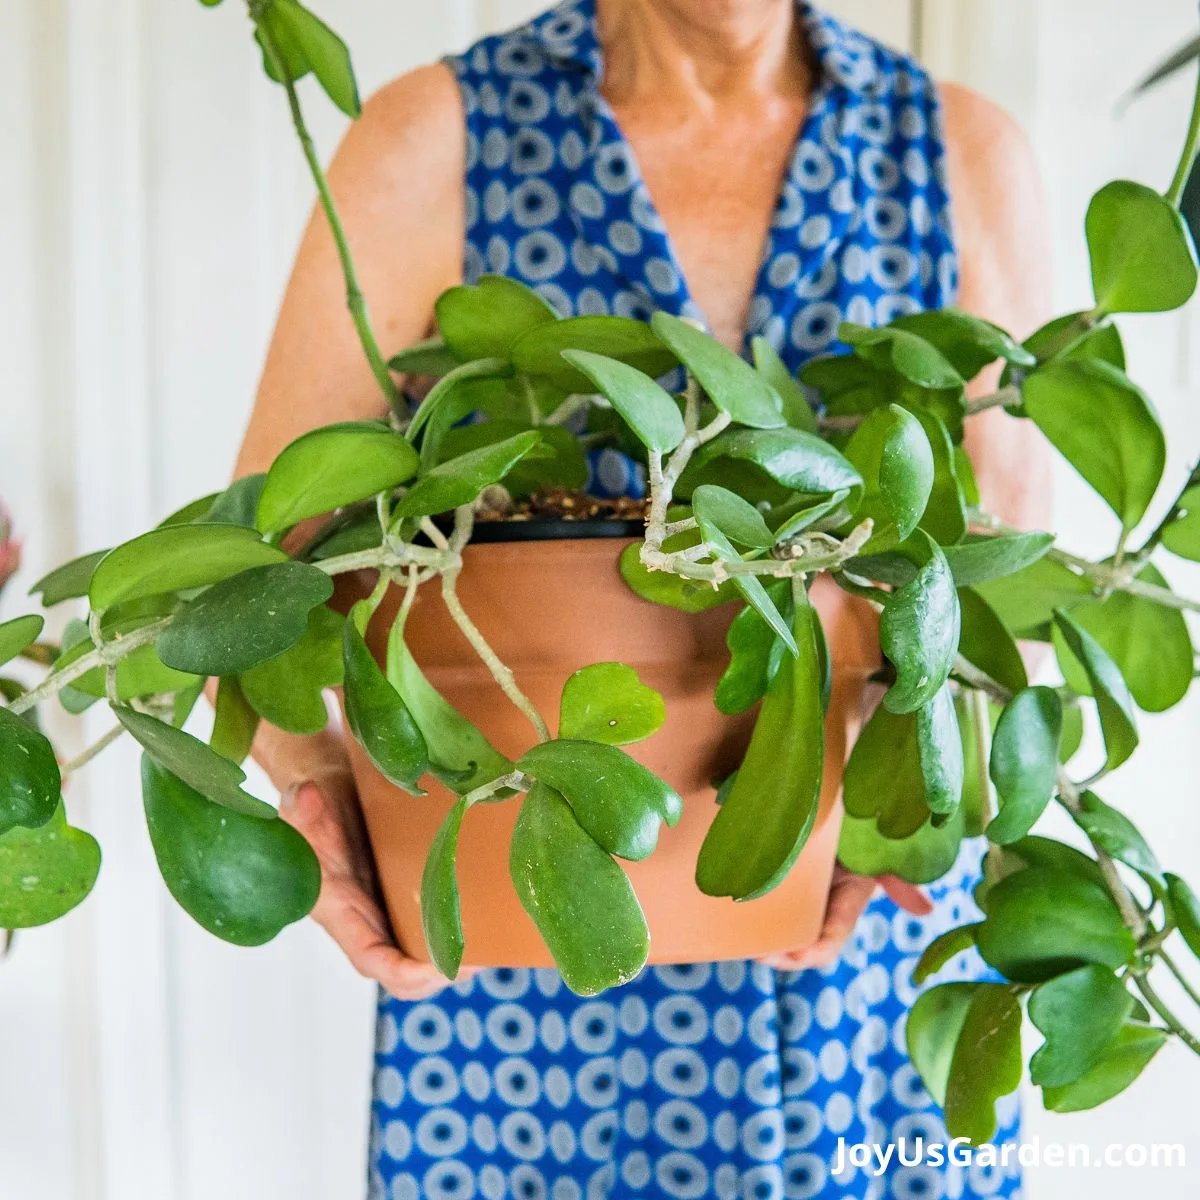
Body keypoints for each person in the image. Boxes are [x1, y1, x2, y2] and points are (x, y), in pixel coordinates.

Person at [235, 1, 1052, 1195]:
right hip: (525, 983)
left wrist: (892, 801)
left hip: (871, 977)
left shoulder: (958, 153)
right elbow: (264, 567)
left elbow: (1006, 585)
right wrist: (313, 782)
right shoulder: (439, 139)